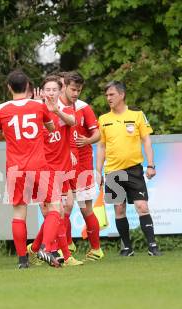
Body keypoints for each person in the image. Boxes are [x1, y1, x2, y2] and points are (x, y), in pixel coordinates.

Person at [0, 70, 62, 268]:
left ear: (9, 87)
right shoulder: (38, 106)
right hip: (39, 165)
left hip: (15, 167)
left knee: (19, 213)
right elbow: (52, 129)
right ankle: (45, 249)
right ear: (29, 87)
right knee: (55, 205)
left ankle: (23, 260)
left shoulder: (1, 109)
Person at [96, 81, 161, 256]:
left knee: (142, 206)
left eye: (111, 94)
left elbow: (147, 140)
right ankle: (127, 247)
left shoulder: (138, 115)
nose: (108, 98)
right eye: (107, 95)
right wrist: (97, 171)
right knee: (119, 209)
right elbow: (101, 147)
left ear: (122, 95)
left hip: (134, 170)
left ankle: (153, 246)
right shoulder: (103, 119)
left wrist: (151, 164)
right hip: (112, 172)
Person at [26, 75, 83, 266]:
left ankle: (35, 248)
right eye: (47, 90)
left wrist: (56, 111)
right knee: (55, 212)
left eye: (54, 89)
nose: (50, 93)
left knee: (64, 209)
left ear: (60, 91)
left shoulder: (64, 109)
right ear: (42, 92)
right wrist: (35, 109)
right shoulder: (34, 111)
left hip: (63, 168)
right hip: (44, 170)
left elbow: (72, 122)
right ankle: (61, 255)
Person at [58, 71, 104, 261]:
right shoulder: (54, 108)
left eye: (79, 90)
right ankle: (66, 245)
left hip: (82, 163)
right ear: (64, 86)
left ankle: (96, 249)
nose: (76, 93)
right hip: (61, 163)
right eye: (73, 89)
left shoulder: (84, 108)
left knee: (85, 208)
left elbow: (98, 135)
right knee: (62, 207)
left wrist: (87, 141)